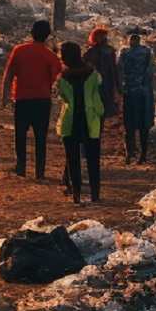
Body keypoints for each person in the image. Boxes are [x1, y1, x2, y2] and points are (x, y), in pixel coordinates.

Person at [1, 20, 63, 179]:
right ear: (47, 36)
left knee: (20, 135)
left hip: (22, 99)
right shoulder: (50, 55)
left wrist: (5, 96)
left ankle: (20, 167)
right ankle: (39, 172)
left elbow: (9, 75)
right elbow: (59, 77)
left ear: (31, 32)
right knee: (40, 138)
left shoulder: (19, 50)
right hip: (42, 100)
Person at [56, 41, 104, 204]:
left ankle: (76, 194)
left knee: (73, 160)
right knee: (93, 160)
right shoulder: (92, 74)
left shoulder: (63, 77)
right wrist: (100, 112)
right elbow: (97, 96)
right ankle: (95, 194)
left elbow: (62, 96)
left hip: (70, 121)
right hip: (90, 121)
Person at [119, 32, 156, 164]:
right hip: (143, 94)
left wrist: (120, 88)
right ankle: (141, 154)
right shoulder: (147, 52)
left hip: (130, 92)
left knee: (129, 125)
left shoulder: (124, 52)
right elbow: (150, 72)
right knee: (142, 126)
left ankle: (130, 153)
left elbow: (119, 71)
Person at [84, 27, 119, 131]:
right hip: (104, 85)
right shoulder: (108, 51)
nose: (105, 39)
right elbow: (114, 70)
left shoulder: (91, 52)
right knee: (101, 110)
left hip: (98, 85)